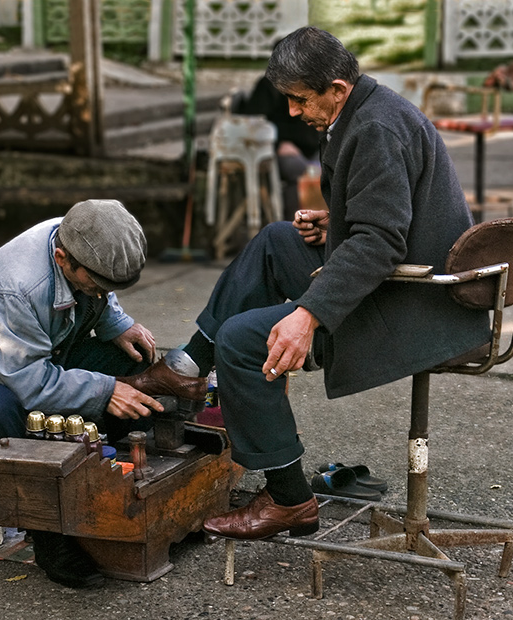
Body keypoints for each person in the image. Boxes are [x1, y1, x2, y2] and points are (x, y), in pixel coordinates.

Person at [176, 26, 491, 540]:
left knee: (243, 342)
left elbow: (381, 243)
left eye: (301, 100)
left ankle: (289, 502)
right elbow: (386, 221)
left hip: (416, 307)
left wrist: (308, 315)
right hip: (414, 285)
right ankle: (189, 365)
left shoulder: (374, 129)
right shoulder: (374, 109)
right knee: (279, 240)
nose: (295, 112)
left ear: (338, 89)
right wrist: (338, 222)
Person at [0, 199, 207, 586]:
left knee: (133, 362)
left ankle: (101, 475)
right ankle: (46, 534)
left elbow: (99, 297)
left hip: (33, 355)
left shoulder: (82, 233)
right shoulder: (13, 288)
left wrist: (118, 326)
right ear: (62, 258)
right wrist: (107, 390)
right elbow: (27, 382)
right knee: (0, 413)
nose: (100, 292)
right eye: (95, 284)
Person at [236, 74, 321, 214]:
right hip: (280, 149)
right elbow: (254, 124)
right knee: (298, 170)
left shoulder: (315, 82)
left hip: (312, 148)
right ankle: (296, 229)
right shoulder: (270, 85)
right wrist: (279, 143)